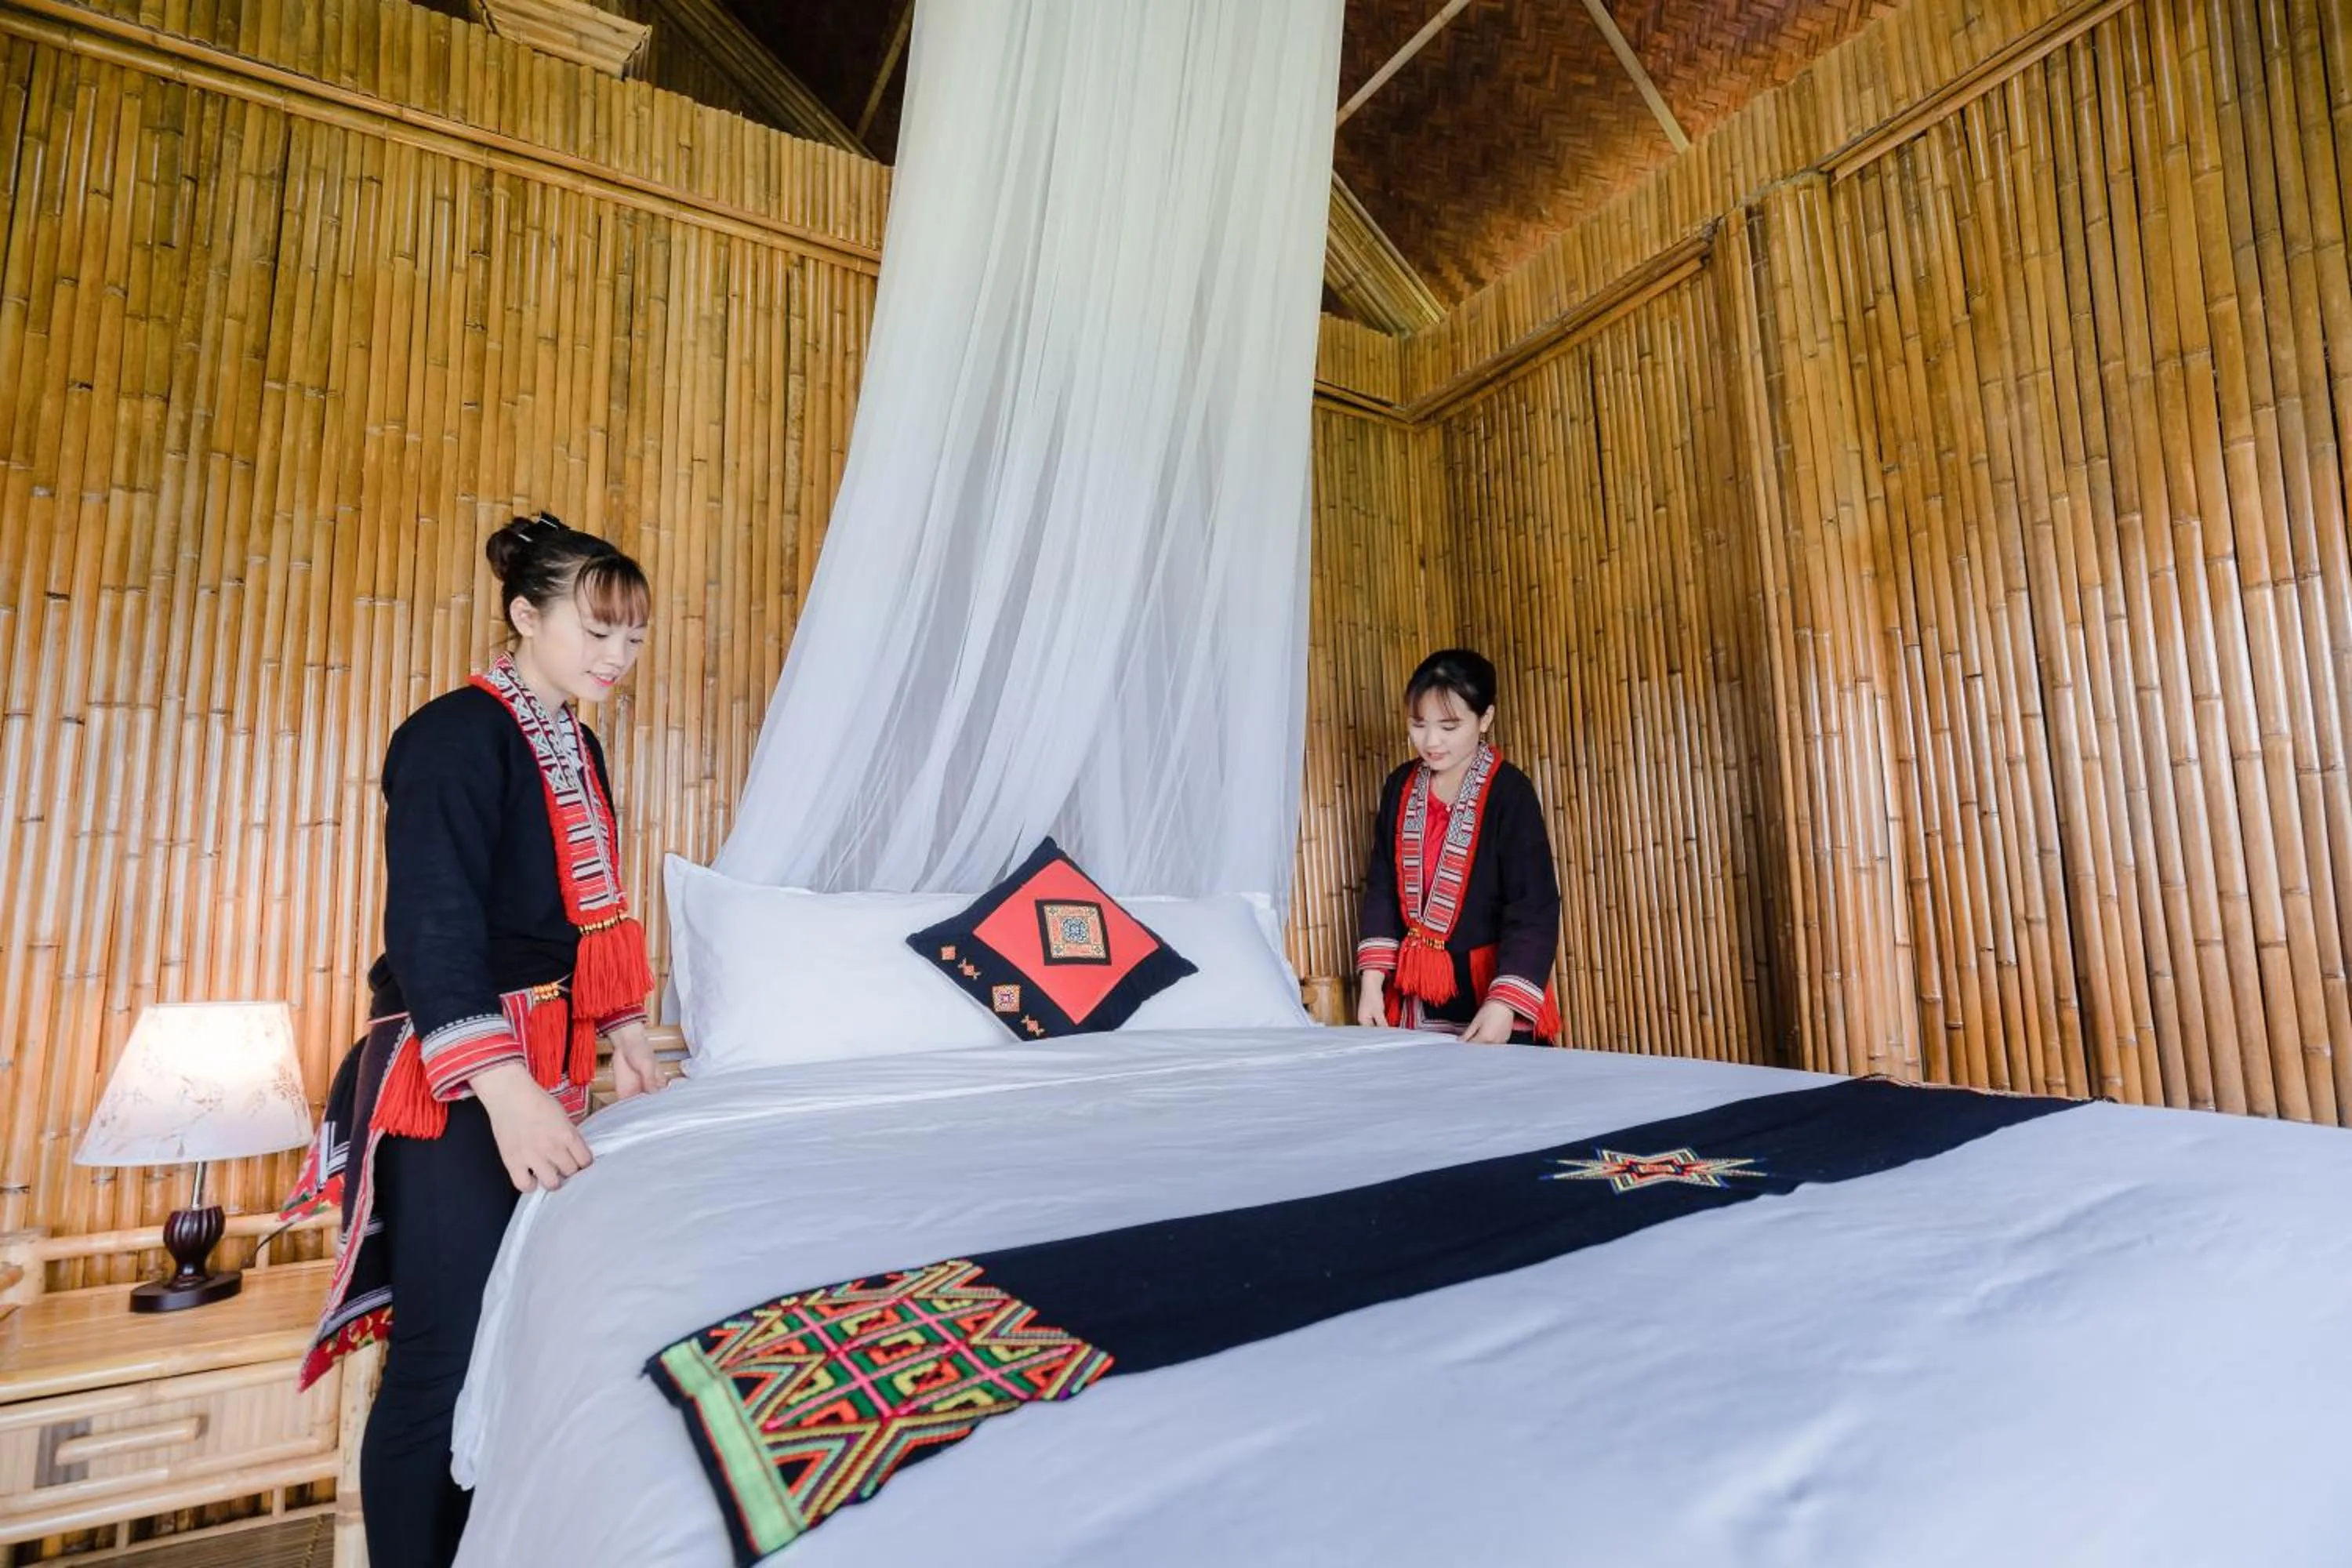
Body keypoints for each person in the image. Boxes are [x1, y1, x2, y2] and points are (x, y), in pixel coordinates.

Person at [281, 513, 661, 1568]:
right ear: (524, 616)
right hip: (452, 1072)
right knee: (442, 1355)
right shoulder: (454, 734)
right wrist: (505, 1089)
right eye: (595, 631)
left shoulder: (573, 744)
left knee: (517, 1340)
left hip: (539, 1055)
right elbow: (434, 926)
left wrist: (623, 1031)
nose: (615, 657)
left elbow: (574, 920)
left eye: (631, 638)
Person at [1356, 648, 1563, 1044]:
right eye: (1418, 724)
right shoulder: (1400, 785)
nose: (1431, 741)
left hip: (1492, 990)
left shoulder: (1509, 793)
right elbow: (1382, 885)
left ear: (1485, 718)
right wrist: (1371, 985)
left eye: (1449, 727)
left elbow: (1533, 906)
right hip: (1413, 995)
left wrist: (1504, 1004)